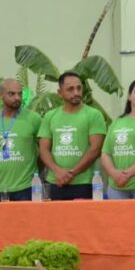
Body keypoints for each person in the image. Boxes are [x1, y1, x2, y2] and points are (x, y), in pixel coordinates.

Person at [37, 71, 106, 200]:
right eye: (70, 89)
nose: (76, 92)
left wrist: (71, 173)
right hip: (54, 182)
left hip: (83, 183)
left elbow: (95, 149)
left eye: (79, 88)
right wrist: (57, 171)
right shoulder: (50, 116)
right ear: (60, 92)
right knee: (55, 220)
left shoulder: (94, 115)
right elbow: (43, 149)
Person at [0, 78, 42, 201]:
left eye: (20, 93)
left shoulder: (34, 119)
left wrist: (35, 170)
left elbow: (44, 148)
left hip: (27, 188)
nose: (17, 98)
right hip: (0, 188)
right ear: (1, 96)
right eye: (11, 94)